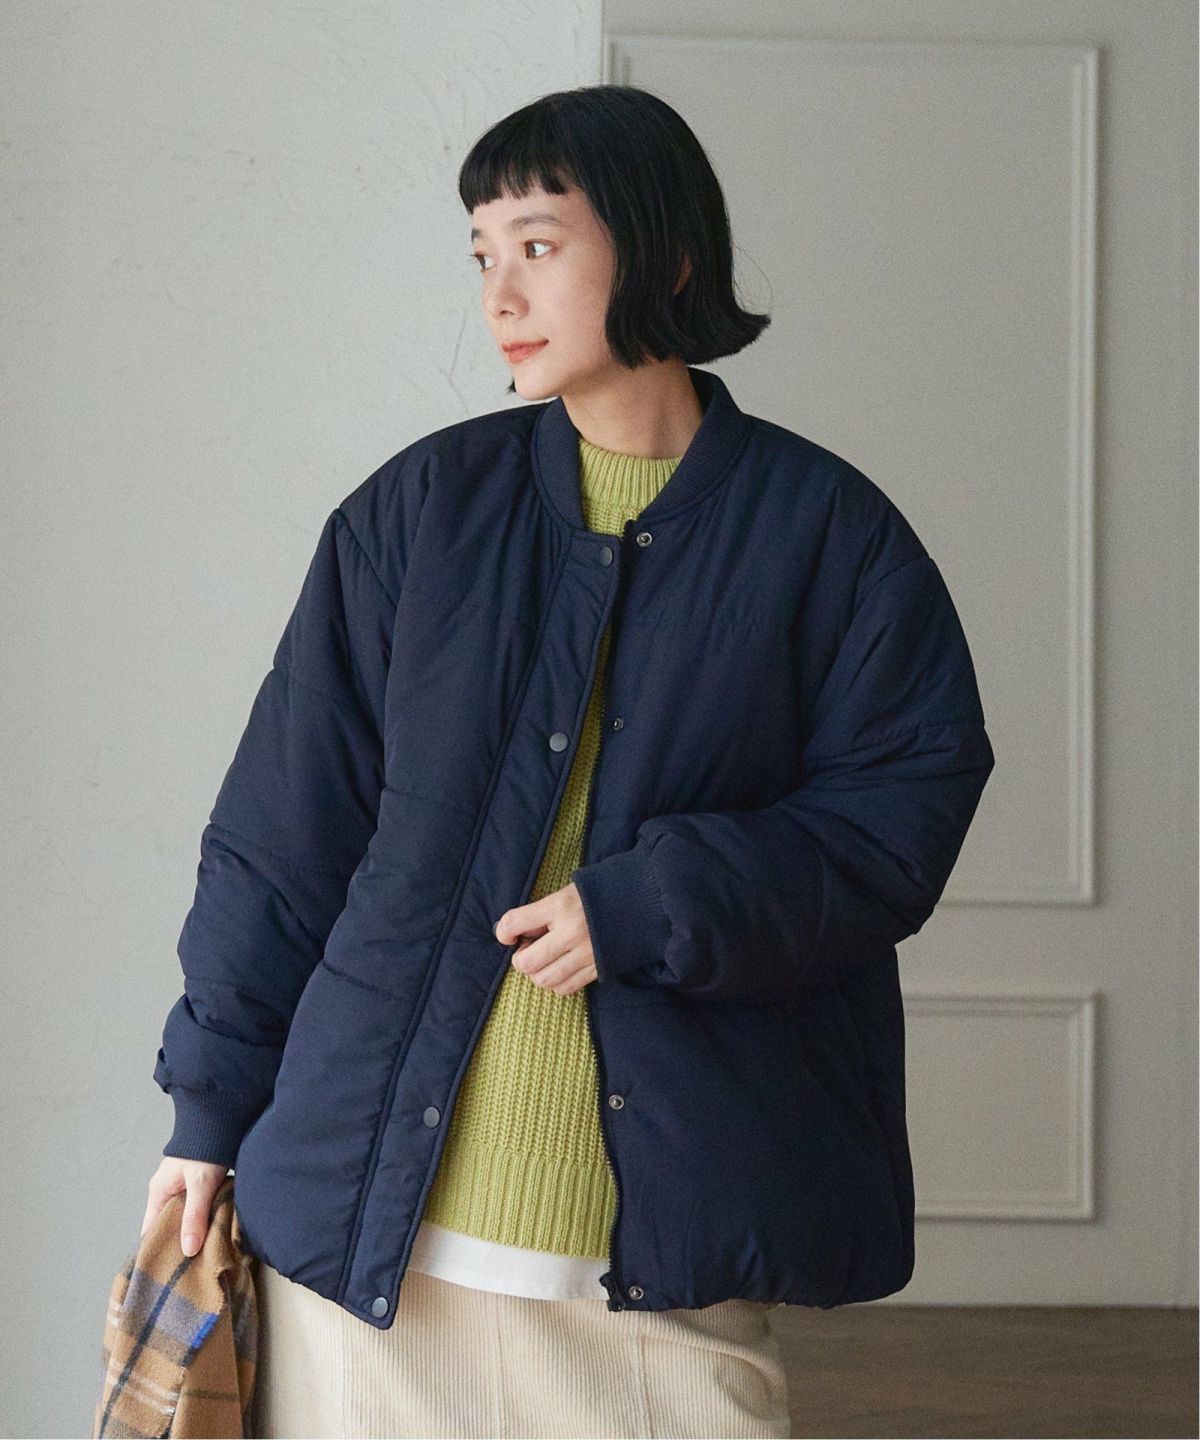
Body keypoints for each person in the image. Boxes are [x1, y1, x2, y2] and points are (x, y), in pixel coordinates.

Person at [144, 84, 993, 1439]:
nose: (500, 292)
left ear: (665, 255)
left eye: (538, 244)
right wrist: (207, 1111)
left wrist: (651, 903)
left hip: (660, 1270)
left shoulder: (829, 535)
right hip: (369, 1252)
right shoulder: (417, 515)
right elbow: (283, 837)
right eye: (483, 252)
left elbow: (898, 815)